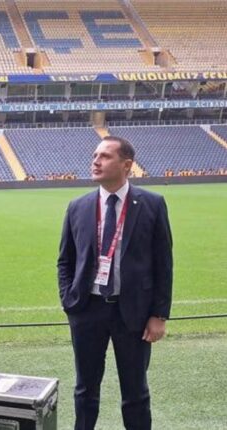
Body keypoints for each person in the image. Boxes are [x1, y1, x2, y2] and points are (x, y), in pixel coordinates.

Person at [57, 135, 173, 430]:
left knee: (135, 392)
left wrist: (159, 315)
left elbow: (163, 263)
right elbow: (65, 261)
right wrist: (69, 301)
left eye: (105, 156)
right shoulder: (78, 206)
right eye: (95, 155)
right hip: (87, 310)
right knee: (85, 389)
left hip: (133, 313)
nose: (96, 161)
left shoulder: (152, 204)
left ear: (127, 165)